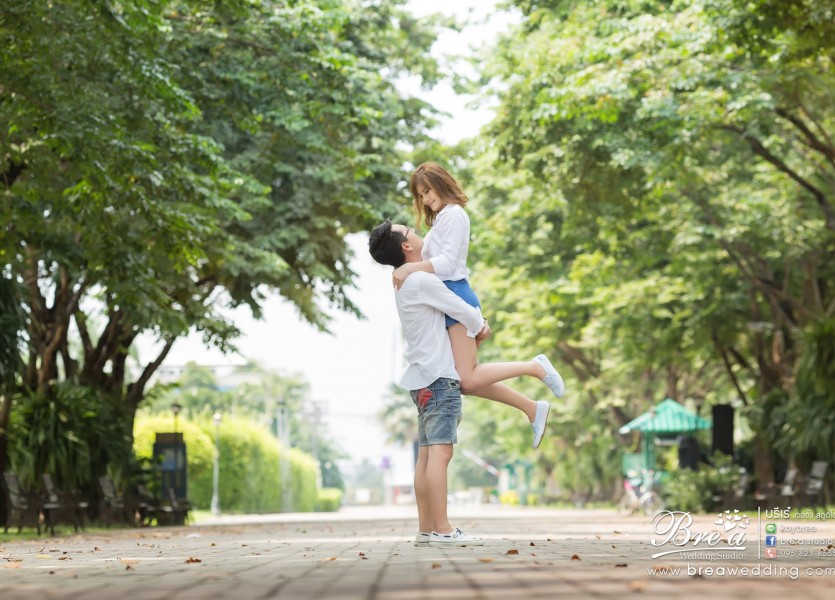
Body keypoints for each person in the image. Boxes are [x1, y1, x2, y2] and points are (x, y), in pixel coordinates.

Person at [391, 162, 565, 447]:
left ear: (441, 183)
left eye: (427, 191)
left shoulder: (455, 215)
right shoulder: (442, 220)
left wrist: (410, 269)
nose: (425, 199)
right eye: (420, 195)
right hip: (445, 300)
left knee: (467, 380)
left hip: (455, 295)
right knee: (464, 382)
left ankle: (535, 368)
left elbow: (447, 265)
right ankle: (532, 408)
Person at [369, 219, 490, 546]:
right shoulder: (420, 279)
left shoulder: (407, 281)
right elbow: (463, 310)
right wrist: (481, 324)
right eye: (410, 231)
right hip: (439, 377)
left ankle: (427, 528)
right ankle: (443, 529)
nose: (417, 232)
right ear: (407, 246)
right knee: (441, 455)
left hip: (421, 377)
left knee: (426, 455)